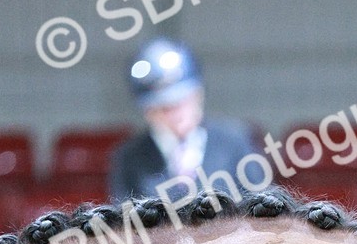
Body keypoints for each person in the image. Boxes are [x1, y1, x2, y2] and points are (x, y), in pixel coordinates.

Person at [109, 36, 254, 204]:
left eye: (182, 102)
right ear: (147, 111)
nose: (175, 114)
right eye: (163, 108)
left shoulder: (234, 143)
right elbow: (125, 220)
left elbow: (262, 212)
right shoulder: (130, 158)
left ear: (198, 94)